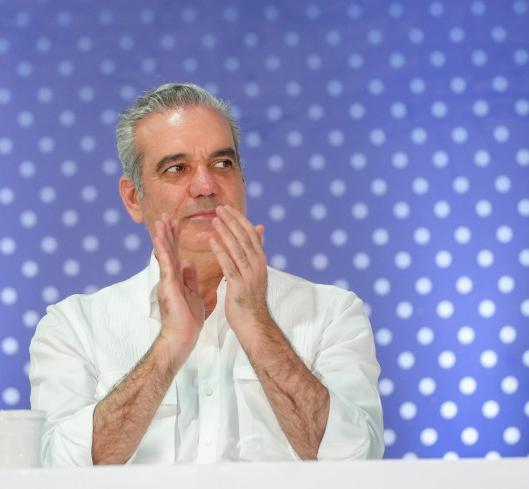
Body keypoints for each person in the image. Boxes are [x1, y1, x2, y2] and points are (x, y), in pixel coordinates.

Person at [29, 83, 384, 466]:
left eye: (223, 164)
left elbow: (358, 459)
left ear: (242, 180)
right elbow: (55, 472)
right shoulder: (73, 327)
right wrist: (168, 346)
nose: (205, 186)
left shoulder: (332, 312)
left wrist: (258, 325)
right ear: (133, 198)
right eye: (177, 169)